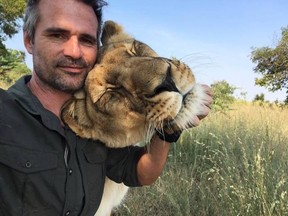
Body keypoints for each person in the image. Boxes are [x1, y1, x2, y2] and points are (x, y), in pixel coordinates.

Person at [0, 0, 213, 215]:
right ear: (28, 39)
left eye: (86, 39)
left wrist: (169, 127)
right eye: (57, 35)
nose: (74, 51)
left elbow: (142, 171)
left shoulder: (98, 120)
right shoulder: (5, 113)